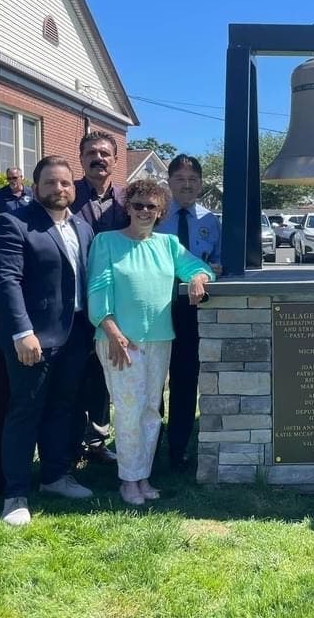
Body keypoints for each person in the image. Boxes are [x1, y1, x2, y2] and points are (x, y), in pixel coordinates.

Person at [87, 179, 213, 505]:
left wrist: (198, 278)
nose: (144, 211)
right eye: (138, 205)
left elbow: (196, 266)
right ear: (127, 208)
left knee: (149, 412)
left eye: (151, 207)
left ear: (160, 213)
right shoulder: (106, 242)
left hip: (160, 339)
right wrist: (112, 331)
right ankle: (128, 481)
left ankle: (142, 477)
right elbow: (98, 290)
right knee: (128, 411)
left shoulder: (168, 244)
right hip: (119, 340)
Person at [0, 156, 95, 526]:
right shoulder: (13, 224)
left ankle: (54, 477)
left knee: (63, 410)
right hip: (32, 339)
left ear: (73, 187)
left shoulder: (81, 227)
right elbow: (5, 281)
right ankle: (15, 495)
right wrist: (22, 331)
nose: (59, 189)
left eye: (65, 183)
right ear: (36, 187)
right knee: (25, 413)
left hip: (76, 336)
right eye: (50, 183)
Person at [155, 154, 222, 471]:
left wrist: (209, 272)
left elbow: (220, 263)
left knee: (184, 378)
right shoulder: (155, 215)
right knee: (153, 380)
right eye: (180, 179)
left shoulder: (211, 221)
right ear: (168, 183)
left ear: (201, 184)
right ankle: (150, 445)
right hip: (155, 307)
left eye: (192, 180)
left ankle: (178, 448)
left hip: (192, 309)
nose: (186, 185)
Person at [71, 130, 128, 465]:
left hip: (117, 304)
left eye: (105, 153)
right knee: (77, 373)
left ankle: (97, 440)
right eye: (91, 152)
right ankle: (73, 443)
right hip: (75, 301)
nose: (98, 158)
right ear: (81, 159)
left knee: (106, 375)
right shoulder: (68, 195)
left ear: (115, 160)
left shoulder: (127, 201)